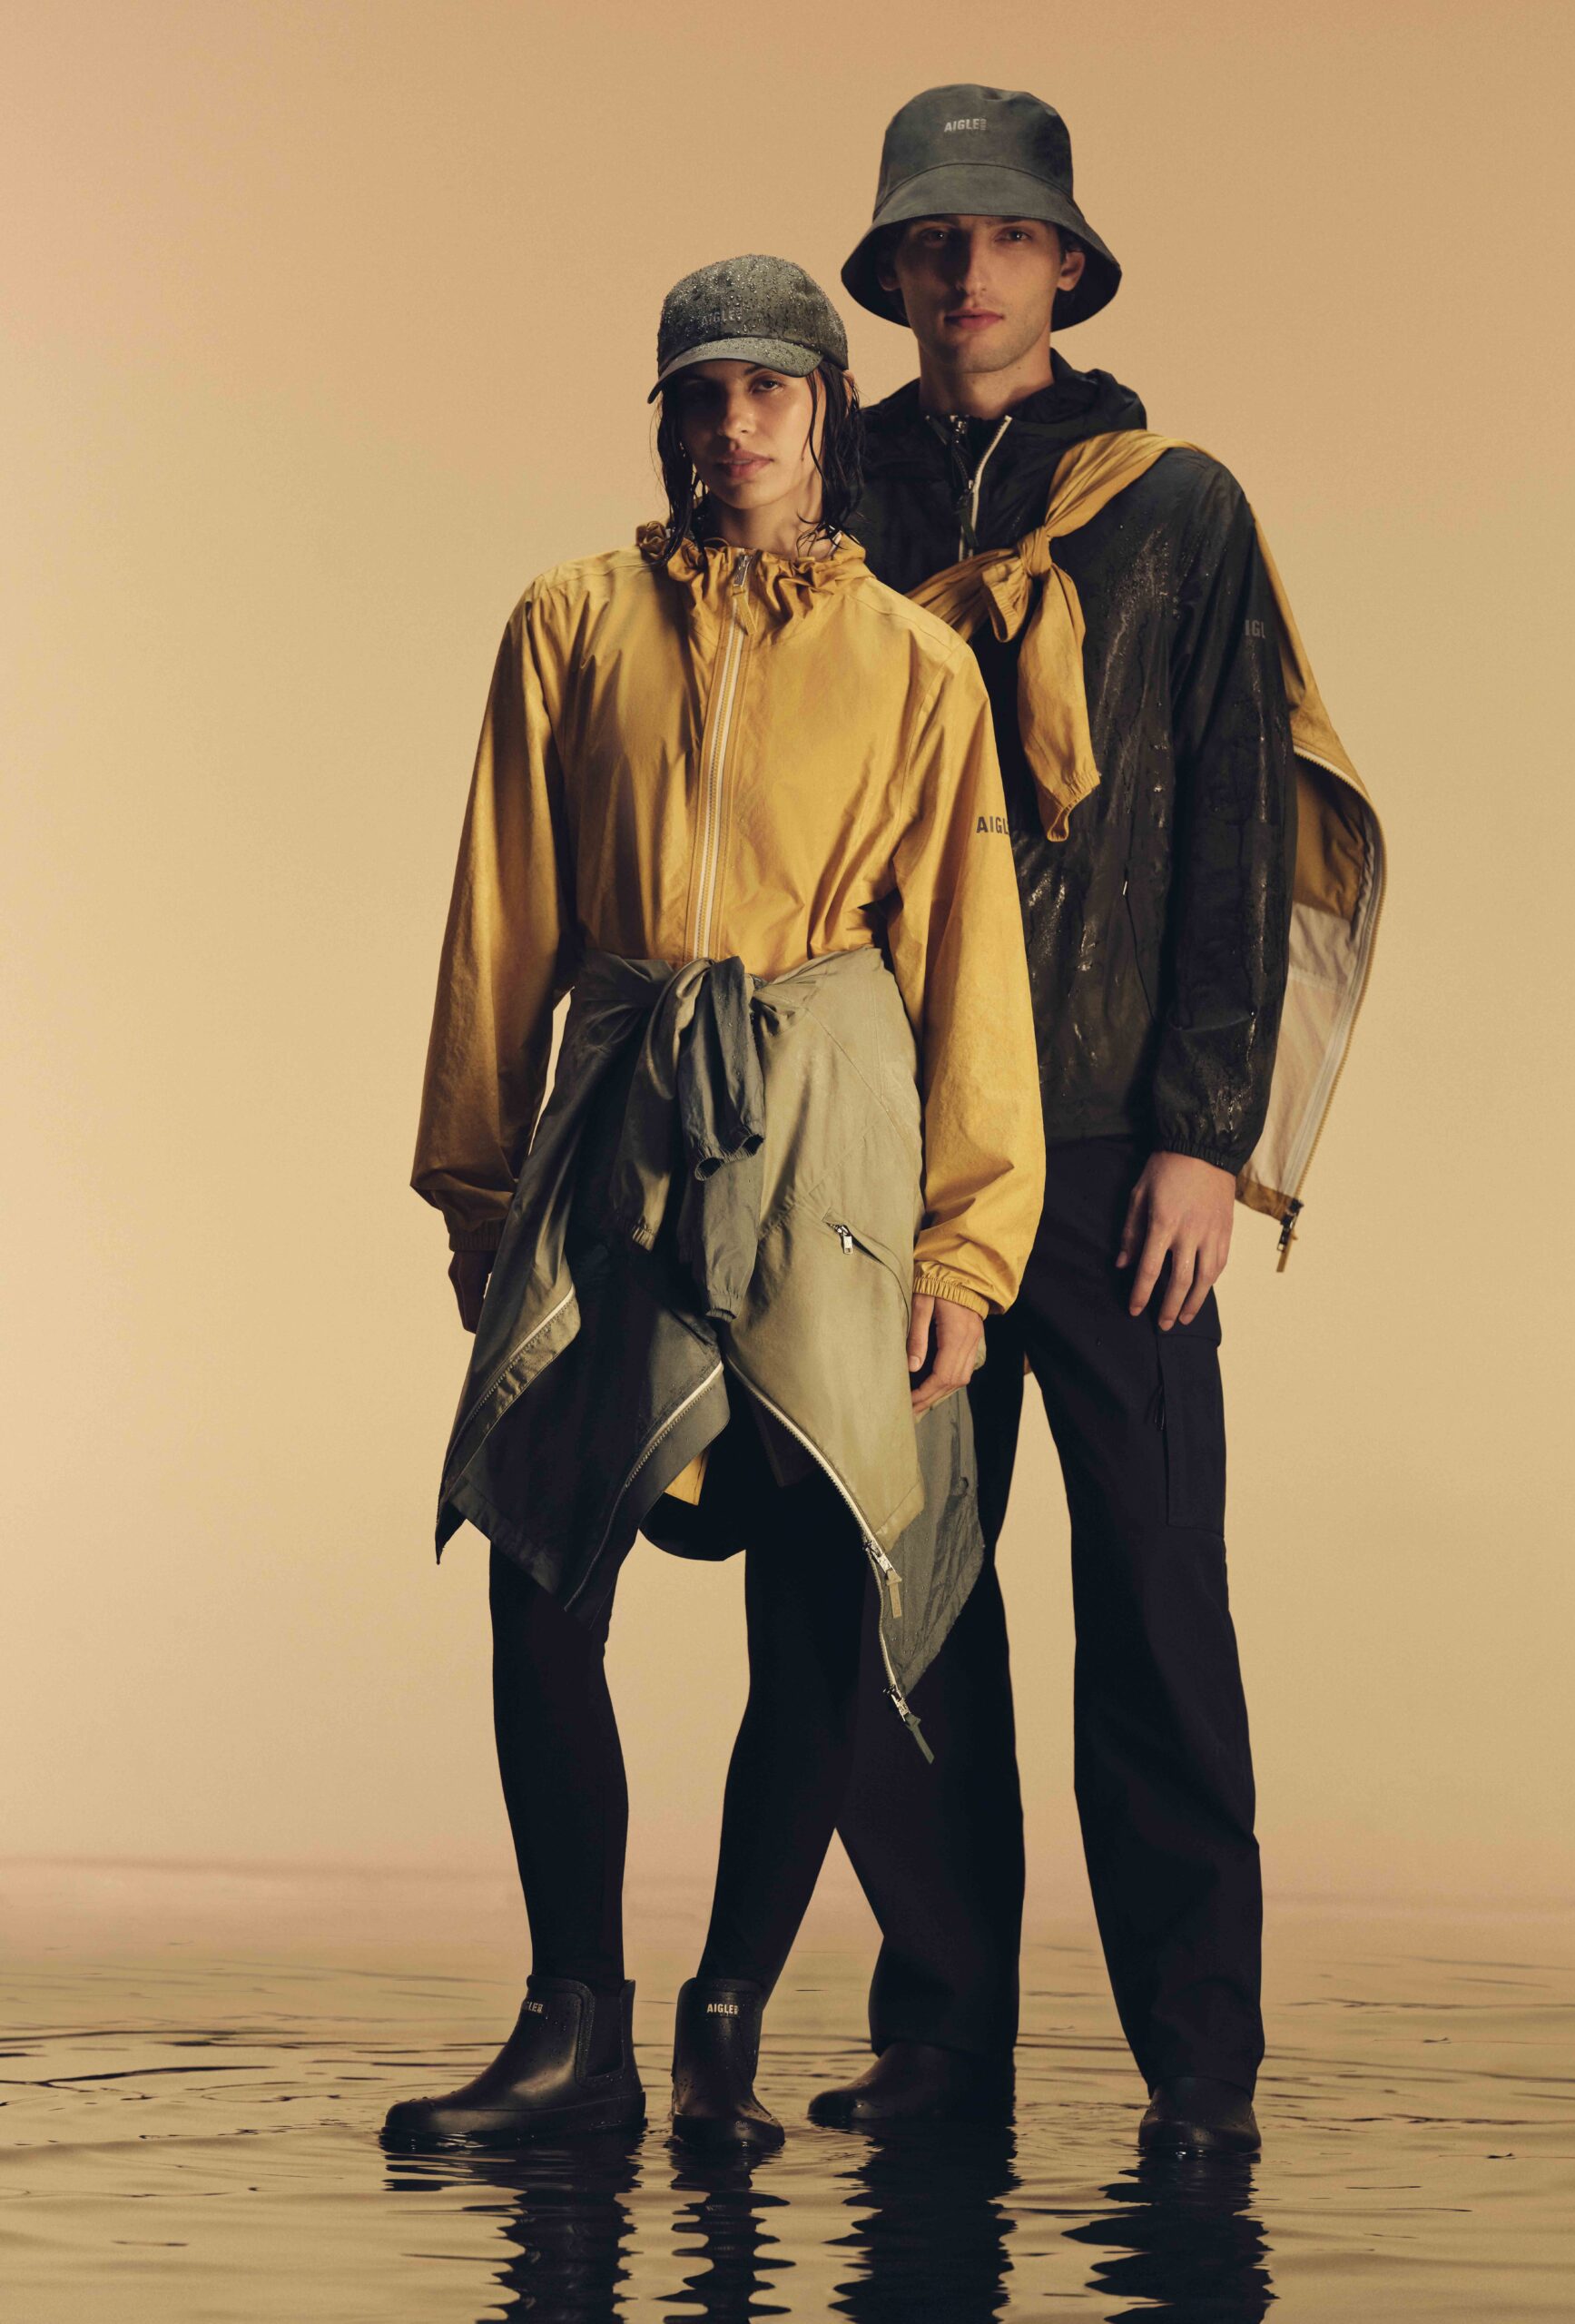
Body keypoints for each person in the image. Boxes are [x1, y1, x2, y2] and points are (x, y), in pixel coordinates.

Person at [383, 255, 1043, 2154]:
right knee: (538, 1555)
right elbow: (500, 911)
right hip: (620, 1103)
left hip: (830, 1112)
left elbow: (971, 961)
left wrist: (969, 1245)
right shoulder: (568, 622)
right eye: (701, 391)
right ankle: (570, 2022)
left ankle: (726, 2024)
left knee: (822, 1565)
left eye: (770, 389)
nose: (734, 424)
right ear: (667, 420)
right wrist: (479, 1185)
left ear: (827, 411)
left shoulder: (915, 663)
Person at [809, 85, 1385, 2156]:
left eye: (1003, 236)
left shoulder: (1180, 509)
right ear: (893, 273)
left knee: (1155, 1605)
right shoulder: (824, 496)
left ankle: (1201, 2071)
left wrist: (1207, 1134)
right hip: (887, 1152)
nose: (965, 272)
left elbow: (1237, 819)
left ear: (1065, 262)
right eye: (931, 241)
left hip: (1121, 1143)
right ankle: (943, 2038)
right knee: (906, 1609)